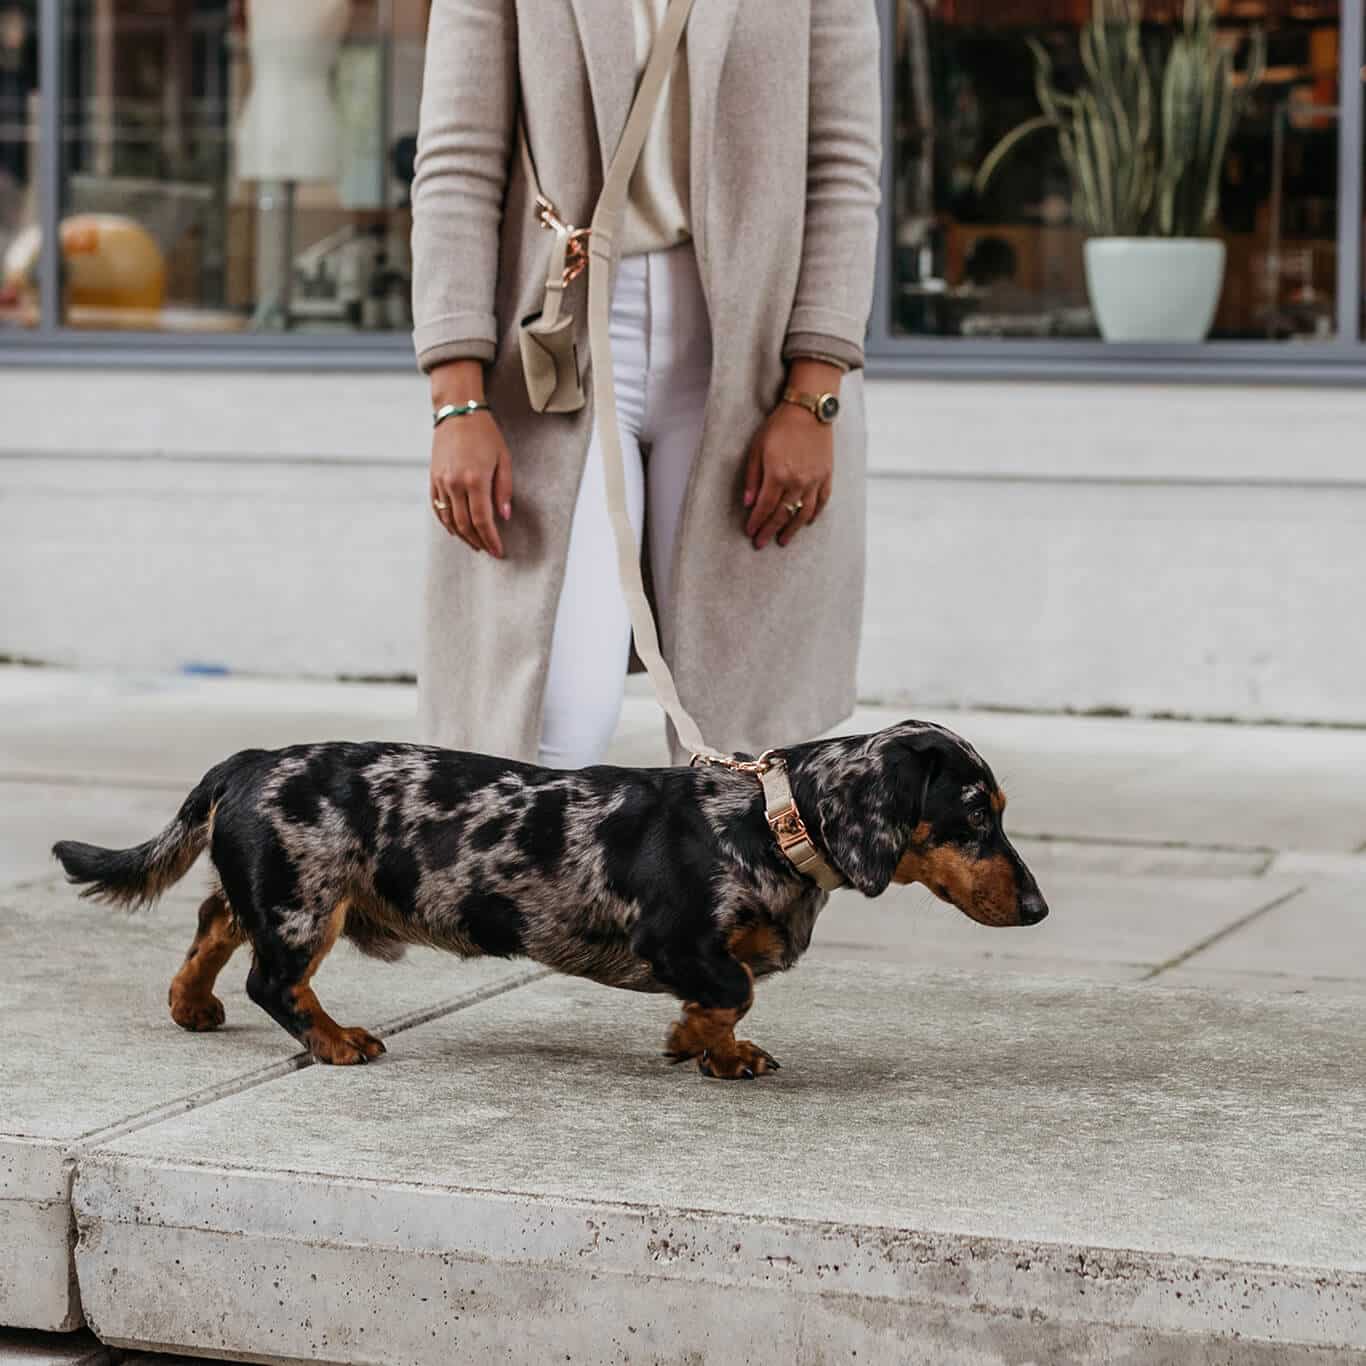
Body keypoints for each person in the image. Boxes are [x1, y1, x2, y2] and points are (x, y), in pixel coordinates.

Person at [410, 0, 881, 767]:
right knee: (547, 716)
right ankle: (532, 891)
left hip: (753, 357)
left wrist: (814, 389)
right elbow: (457, 163)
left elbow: (844, 167)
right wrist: (456, 392)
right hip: (558, 347)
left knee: (743, 743)